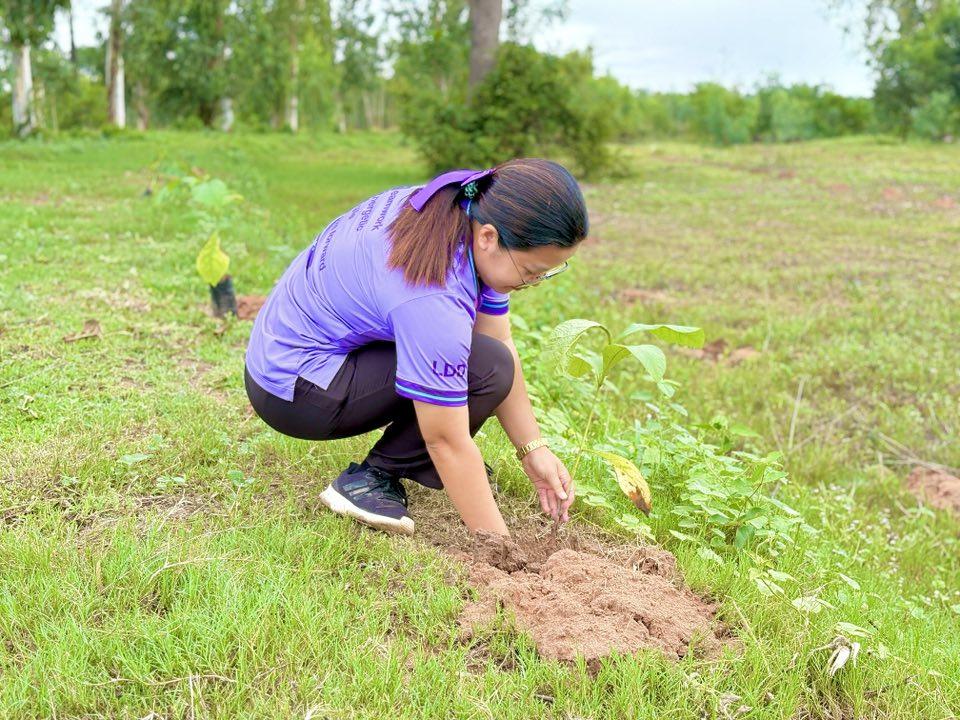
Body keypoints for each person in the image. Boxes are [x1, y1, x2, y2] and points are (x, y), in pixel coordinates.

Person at [244, 158, 589, 537]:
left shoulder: (456, 211)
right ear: (489, 237)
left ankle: (408, 466)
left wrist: (533, 450)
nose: (536, 281)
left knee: (491, 362)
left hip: (293, 348)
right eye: (531, 271)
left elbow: (498, 339)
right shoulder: (432, 294)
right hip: (293, 388)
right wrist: (502, 548)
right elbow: (445, 439)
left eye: (549, 271)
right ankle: (372, 479)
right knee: (483, 369)